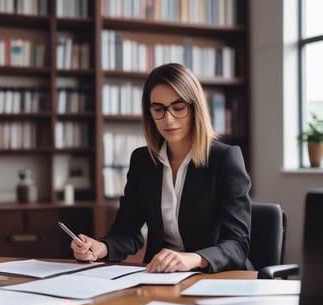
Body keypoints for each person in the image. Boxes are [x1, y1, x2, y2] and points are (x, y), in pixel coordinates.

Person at [71, 63, 252, 273]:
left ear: (195, 108)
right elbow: (127, 230)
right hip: (161, 277)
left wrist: (193, 259)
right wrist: (99, 248)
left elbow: (238, 244)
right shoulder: (142, 161)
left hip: (217, 277)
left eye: (178, 108)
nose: (168, 119)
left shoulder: (225, 159)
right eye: (158, 109)